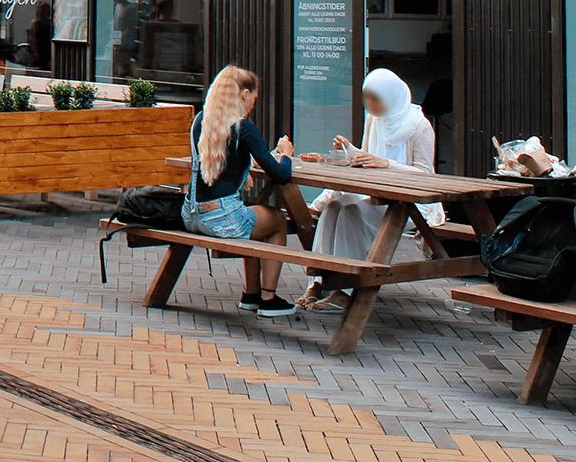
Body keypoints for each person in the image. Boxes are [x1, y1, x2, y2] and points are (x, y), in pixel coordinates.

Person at [299, 69, 438, 309]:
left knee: (352, 212)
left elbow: (427, 176)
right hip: (375, 195)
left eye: (376, 99)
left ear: (391, 97)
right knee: (333, 207)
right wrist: (349, 151)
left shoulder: (419, 127)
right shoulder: (375, 120)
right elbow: (367, 159)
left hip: (410, 206)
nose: (370, 105)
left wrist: (388, 165)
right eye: (368, 98)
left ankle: (346, 288)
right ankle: (320, 280)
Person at [186, 65, 296, 316]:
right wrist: (286, 155)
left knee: (254, 217)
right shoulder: (242, 128)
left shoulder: (200, 121)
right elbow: (281, 175)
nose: (253, 105)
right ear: (245, 94)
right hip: (221, 218)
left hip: (192, 214)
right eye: (254, 99)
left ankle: (250, 294)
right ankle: (268, 298)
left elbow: (223, 161)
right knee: (277, 220)